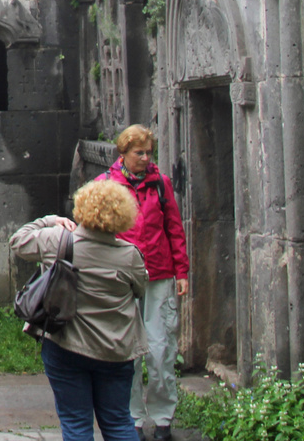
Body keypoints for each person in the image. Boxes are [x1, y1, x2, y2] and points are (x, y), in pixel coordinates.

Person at [10, 179, 147, 441]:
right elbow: (139, 291)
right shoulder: (130, 255)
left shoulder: (57, 242)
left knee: (76, 424)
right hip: (115, 351)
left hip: (66, 345)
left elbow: (18, 241)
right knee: (118, 421)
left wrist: (49, 220)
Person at [99, 125, 189, 441]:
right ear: (123, 153)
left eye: (149, 152)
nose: (146, 158)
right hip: (122, 278)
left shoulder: (160, 185)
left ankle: (163, 418)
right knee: (128, 352)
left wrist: (182, 272)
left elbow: (174, 229)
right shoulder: (106, 186)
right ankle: (133, 418)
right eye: (139, 152)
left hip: (160, 273)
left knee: (162, 349)